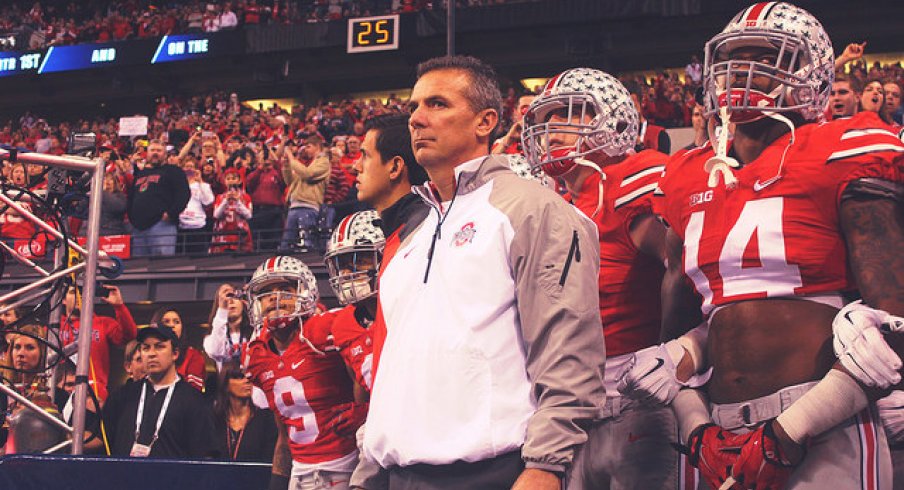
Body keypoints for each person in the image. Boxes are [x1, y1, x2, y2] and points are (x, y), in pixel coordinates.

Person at [618, 3, 904, 489]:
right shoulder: (691, 173)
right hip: (717, 429)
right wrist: (697, 428)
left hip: (823, 419)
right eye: (733, 58)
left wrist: (790, 432)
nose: (742, 71)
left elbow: (893, 319)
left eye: (766, 57)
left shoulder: (841, 146)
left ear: (809, 73)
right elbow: (687, 331)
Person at [364, 55, 606, 490]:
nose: (417, 119)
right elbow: (392, 366)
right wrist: (367, 473)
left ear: (485, 121)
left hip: (491, 474)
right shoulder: (412, 235)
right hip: (395, 474)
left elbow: (568, 347)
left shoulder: (533, 210)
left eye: (437, 104)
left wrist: (547, 465)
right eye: (414, 107)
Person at [521, 67, 679, 489]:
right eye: (547, 119)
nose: (553, 130)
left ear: (615, 120)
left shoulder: (634, 179)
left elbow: (687, 272)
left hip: (634, 394)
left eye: (571, 115)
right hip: (564, 404)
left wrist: (678, 357)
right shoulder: (552, 202)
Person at [242, 256, 362, 490]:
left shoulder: (327, 330)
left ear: (306, 293)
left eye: (285, 290)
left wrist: (368, 415)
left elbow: (370, 384)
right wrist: (278, 481)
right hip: (299, 472)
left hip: (349, 465)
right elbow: (284, 432)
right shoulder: (256, 354)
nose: (274, 299)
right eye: (266, 293)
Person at [103, 324, 218, 459]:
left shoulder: (194, 401)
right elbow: (103, 442)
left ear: (175, 353)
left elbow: (205, 455)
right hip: (126, 478)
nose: (152, 353)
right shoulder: (123, 396)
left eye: (159, 346)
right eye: (146, 348)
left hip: (173, 479)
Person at [60, 284, 137, 401]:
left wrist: (119, 306)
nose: (78, 296)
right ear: (63, 300)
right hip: (60, 391)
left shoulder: (103, 323)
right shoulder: (54, 327)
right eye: (72, 292)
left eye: (82, 292)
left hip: (93, 394)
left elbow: (129, 336)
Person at [128, 139, 190, 257]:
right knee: (138, 267)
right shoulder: (141, 173)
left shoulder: (174, 171)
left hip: (162, 225)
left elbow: (184, 194)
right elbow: (132, 196)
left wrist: (171, 213)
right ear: (147, 153)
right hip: (138, 228)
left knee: (161, 265)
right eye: (152, 150)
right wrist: (132, 218)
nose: (155, 153)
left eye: (159, 150)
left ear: (165, 154)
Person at [212, 361, 277, 463]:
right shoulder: (214, 421)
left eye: (249, 377)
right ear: (225, 384)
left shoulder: (266, 420)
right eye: (239, 377)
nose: (247, 381)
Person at [279, 136, 331, 252]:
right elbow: (289, 182)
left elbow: (308, 174)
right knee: (286, 244)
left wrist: (292, 159)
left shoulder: (324, 162)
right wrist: (287, 165)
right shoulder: (306, 163)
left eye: (308, 146)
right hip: (294, 205)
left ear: (317, 147)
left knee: (307, 243)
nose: (305, 149)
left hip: (309, 205)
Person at [148, 308, 206, 392]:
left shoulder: (193, 355)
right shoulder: (148, 354)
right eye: (166, 321)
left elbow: (193, 392)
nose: (172, 325)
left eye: (176, 322)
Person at [209, 167, 254, 253]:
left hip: (240, 234)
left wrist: (238, 202)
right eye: (228, 178)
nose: (231, 181)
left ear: (239, 180)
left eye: (233, 178)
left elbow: (249, 215)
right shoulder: (220, 197)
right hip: (223, 233)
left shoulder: (245, 197)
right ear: (224, 181)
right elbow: (216, 215)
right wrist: (225, 201)